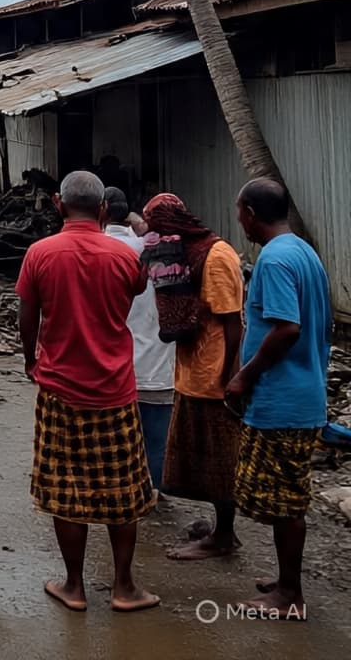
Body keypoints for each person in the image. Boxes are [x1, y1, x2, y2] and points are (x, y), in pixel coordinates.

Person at [17, 170, 158, 613]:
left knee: (65, 488)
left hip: (60, 387)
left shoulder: (39, 253)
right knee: (124, 489)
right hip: (115, 387)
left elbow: (28, 314)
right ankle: (124, 586)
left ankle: (74, 586)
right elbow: (134, 292)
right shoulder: (122, 256)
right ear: (102, 210)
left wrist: (29, 360)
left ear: (58, 204)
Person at [226, 179, 332, 619]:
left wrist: (243, 378)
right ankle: (285, 580)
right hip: (301, 390)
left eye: (239, 213)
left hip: (284, 398)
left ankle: (290, 594)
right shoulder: (302, 251)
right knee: (283, 496)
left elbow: (287, 328)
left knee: (286, 500)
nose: (239, 222)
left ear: (250, 212)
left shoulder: (273, 259)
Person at [142, 193, 244, 561]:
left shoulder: (216, 256)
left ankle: (224, 536)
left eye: (156, 226)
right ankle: (219, 528)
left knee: (219, 459)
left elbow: (233, 321)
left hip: (214, 374)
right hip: (191, 372)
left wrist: (231, 375)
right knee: (200, 457)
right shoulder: (184, 252)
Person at [103, 187, 174, 493]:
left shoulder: (100, 250)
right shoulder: (166, 253)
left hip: (113, 365)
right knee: (155, 442)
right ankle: (152, 494)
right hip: (159, 363)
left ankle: (117, 491)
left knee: (113, 440)